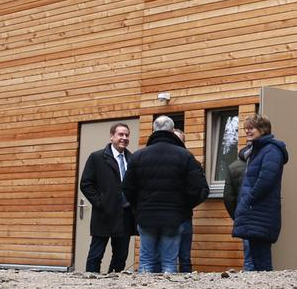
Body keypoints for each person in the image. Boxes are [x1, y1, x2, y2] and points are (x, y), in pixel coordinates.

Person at [123, 116, 208, 273]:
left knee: (146, 261)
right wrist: (183, 207)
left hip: (146, 215)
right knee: (169, 262)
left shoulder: (138, 156)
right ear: (172, 130)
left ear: (153, 130)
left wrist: (138, 207)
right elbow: (200, 189)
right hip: (174, 217)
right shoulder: (185, 156)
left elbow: (128, 188)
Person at [232, 114, 287, 272]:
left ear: (263, 130)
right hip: (255, 209)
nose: (247, 131)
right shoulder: (258, 150)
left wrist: (249, 199)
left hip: (260, 209)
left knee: (262, 257)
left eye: (251, 128)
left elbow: (266, 180)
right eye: (246, 128)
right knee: (256, 254)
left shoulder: (271, 150)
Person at [79, 122, 136, 273]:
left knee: (121, 256)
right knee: (96, 254)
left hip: (125, 215)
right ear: (112, 137)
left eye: (127, 135)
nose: (124, 138)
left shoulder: (132, 159)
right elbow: (86, 184)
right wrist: (100, 203)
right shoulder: (97, 157)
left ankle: (113, 282)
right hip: (104, 214)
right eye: (120, 134)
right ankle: (91, 282)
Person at [173, 128, 195, 273]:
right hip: (166, 214)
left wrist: (188, 202)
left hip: (184, 215)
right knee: (167, 255)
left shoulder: (190, 160)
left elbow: (199, 188)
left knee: (185, 256)